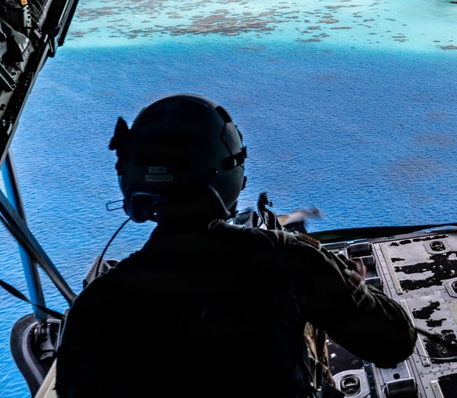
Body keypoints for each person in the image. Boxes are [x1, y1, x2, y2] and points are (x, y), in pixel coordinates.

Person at [55, 94, 416, 397]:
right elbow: (395, 342)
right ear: (230, 171)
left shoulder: (93, 308)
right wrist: (353, 286)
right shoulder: (289, 261)